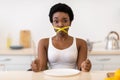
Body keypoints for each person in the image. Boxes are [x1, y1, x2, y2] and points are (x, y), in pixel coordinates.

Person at [31, 3, 91, 72]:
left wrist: (84, 67)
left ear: (70, 22)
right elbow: (42, 67)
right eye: (56, 21)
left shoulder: (81, 43)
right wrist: (37, 67)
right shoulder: (43, 43)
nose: (60, 25)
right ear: (52, 23)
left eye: (65, 21)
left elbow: (81, 69)